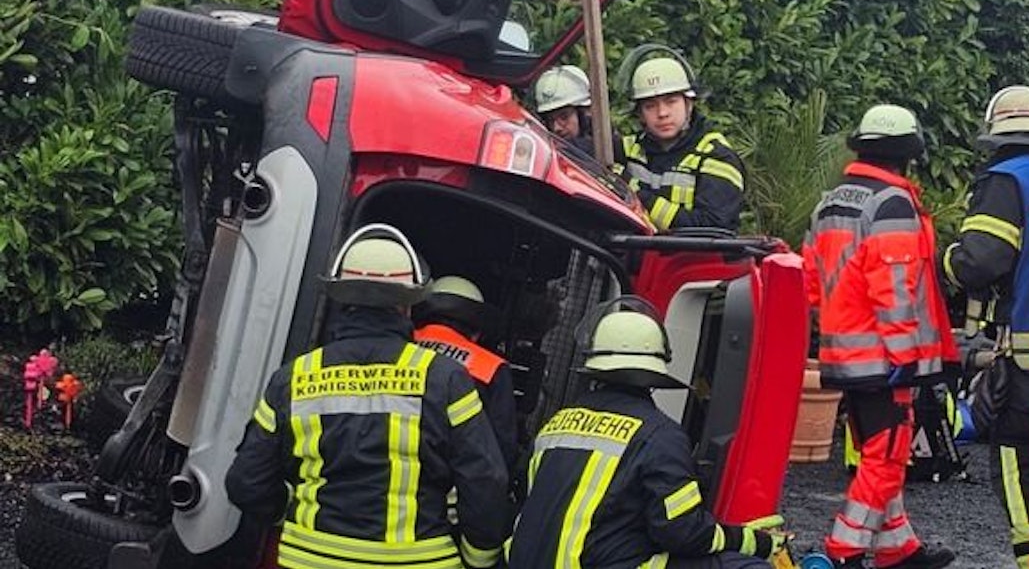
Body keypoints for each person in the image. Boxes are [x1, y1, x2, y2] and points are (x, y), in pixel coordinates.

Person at [225, 224, 509, 569]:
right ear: (407, 305)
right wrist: (480, 559)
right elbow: (485, 482)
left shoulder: (293, 379)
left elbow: (246, 483)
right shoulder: (445, 380)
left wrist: (288, 508)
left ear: (341, 298)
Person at [507, 296, 785, 568]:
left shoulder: (555, 425)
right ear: (654, 372)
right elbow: (683, 533)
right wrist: (751, 539)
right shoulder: (660, 436)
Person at [803, 104, 958, 569]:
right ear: (908, 154)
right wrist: (906, 354)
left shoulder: (830, 202)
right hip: (883, 356)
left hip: (842, 353)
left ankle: (897, 547)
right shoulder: (891, 203)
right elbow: (894, 288)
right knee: (887, 455)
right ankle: (843, 549)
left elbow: (810, 280)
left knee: (878, 449)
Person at [941, 86, 1029, 568]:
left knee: (1017, 460)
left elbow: (980, 262)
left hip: (1025, 359)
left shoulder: (1004, 181)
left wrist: (946, 260)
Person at [614, 48, 746, 232]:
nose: (662, 113)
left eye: (671, 101)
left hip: (692, 252)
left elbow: (712, 227)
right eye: (650, 105)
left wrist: (635, 196)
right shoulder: (628, 149)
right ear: (640, 114)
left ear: (689, 104)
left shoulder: (717, 157)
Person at [413, 274, 519, 473]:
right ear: (477, 331)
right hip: (447, 482)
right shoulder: (491, 367)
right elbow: (501, 448)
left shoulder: (397, 346)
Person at [534, 65, 597, 156]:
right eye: (550, 120)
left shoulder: (610, 146)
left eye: (564, 117)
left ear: (582, 114)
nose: (556, 128)